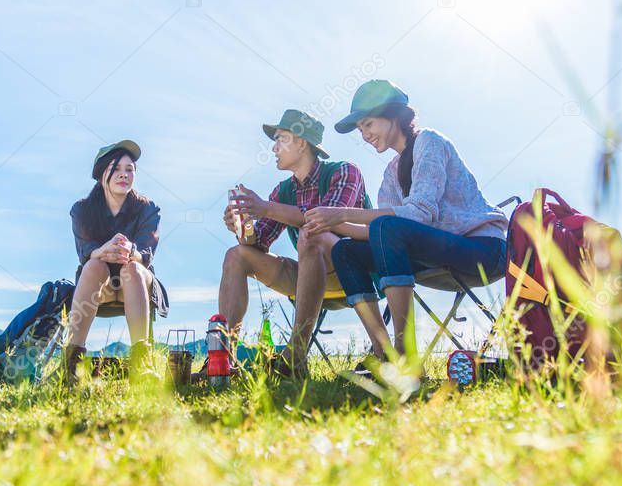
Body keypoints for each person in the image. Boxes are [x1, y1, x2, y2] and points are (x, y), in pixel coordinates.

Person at [302, 80, 508, 368]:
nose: (364, 135)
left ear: (393, 115)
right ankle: (384, 353)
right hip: (435, 254)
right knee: (345, 252)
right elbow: (376, 232)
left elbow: (419, 213)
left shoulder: (429, 142)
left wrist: (342, 213)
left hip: (482, 251)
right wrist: (329, 225)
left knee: (387, 226)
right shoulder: (391, 172)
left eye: (368, 124)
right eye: (361, 129)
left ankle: (406, 352)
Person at [215, 109, 369, 377]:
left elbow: (327, 221)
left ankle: (295, 355)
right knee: (237, 254)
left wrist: (265, 207)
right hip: (310, 275)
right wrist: (243, 227)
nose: (274, 148)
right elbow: (258, 243)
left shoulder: (344, 172)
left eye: (280, 138)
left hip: (356, 272)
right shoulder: (283, 191)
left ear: (301, 142)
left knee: (313, 235)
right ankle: (224, 359)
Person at [64, 140, 169, 381]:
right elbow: (85, 250)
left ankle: (142, 363)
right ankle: (71, 365)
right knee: (93, 265)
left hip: (137, 284)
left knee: (131, 269)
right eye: (116, 169)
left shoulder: (147, 208)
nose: (124, 175)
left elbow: (146, 253)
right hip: (98, 288)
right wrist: (104, 250)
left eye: (129, 169)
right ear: (102, 174)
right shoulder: (82, 210)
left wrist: (129, 250)